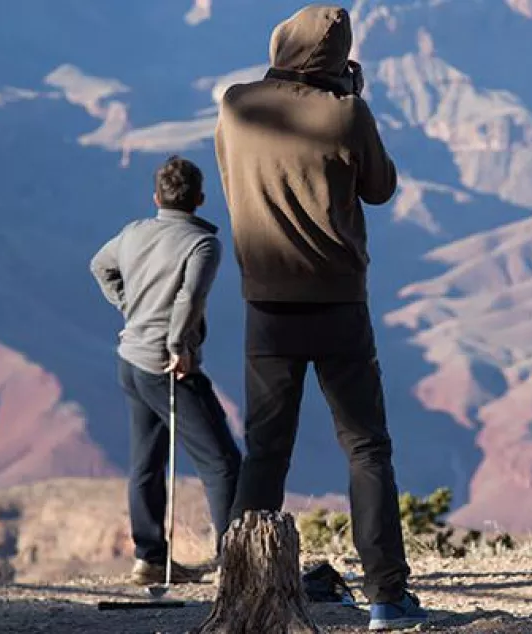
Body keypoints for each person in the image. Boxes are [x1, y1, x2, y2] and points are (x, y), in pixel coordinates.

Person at [213, 4, 426, 631]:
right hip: (337, 304)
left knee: (266, 451)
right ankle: (387, 597)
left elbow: (234, 168)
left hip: (267, 306)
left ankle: (242, 588)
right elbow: (380, 187)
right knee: (365, 447)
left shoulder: (235, 105)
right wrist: (349, 98)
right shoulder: (348, 112)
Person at [89, 156, 244, 585]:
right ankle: (234, 565)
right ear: (200, 199)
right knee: (223, 462)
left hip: (131, 360)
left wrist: (129, 307)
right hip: (167, 365)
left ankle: (150, 559)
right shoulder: (202, 245)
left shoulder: (134, 232)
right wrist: (178, 346)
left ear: (156, 197)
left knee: (146, 462)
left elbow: (100, 266)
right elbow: (189, 298)